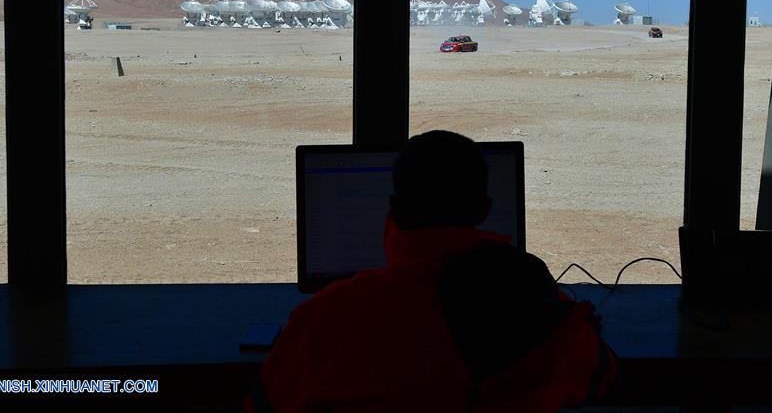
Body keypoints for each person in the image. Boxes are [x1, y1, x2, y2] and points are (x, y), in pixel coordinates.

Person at [245, 130, 617, 412]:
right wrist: (575, 322)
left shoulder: (325, 317)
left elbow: (266, 401)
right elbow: (598, 376)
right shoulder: (535, 305)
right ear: (484, 210)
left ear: (394, 209)